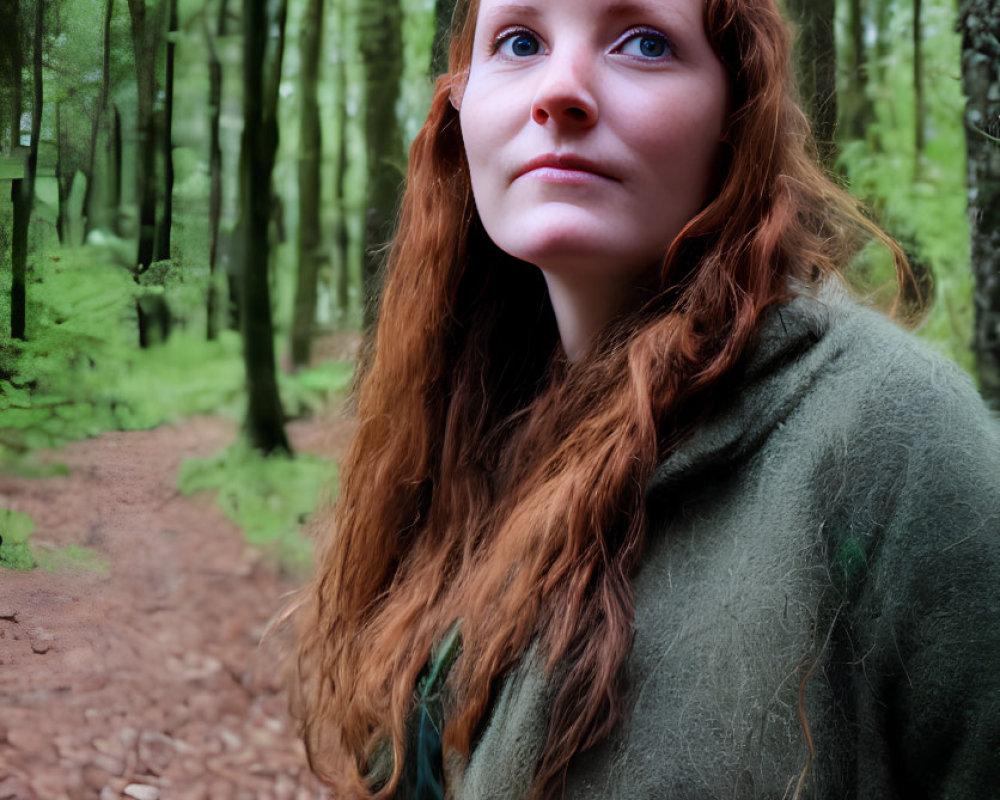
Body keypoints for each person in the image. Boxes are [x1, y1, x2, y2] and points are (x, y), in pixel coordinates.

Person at [290, 0, 1000, 797]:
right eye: (519, 41)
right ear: (460, 103)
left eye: (644, 43)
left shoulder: (892, 437)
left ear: (738, 111)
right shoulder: (465, 425)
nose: (560, 91)